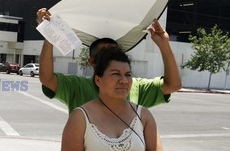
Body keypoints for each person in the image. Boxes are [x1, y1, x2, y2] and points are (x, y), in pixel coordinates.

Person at [37, 8, 182, 112]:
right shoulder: (77, 86)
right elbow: (47, 79)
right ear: (92, 62)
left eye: (116, 52)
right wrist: (49, 33)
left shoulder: (134, 86)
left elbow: (173, 85)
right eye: (106, 54)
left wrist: (164, 45)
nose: (123, 81)